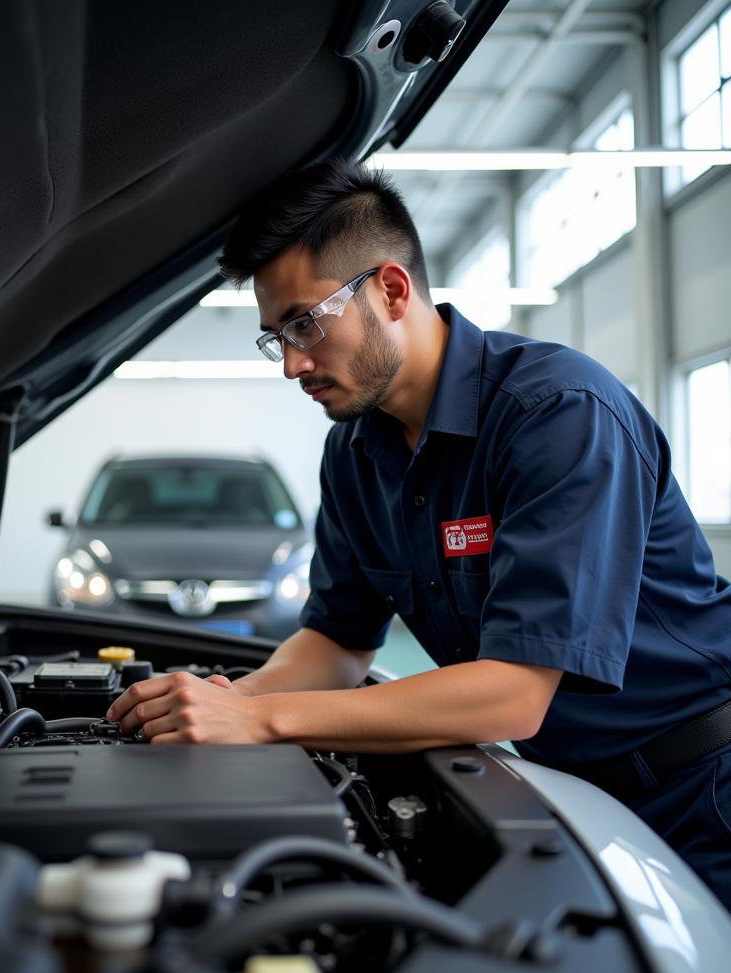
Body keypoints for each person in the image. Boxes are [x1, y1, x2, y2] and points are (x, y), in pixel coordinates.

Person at [106, 159, 731, 909]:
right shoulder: (355, 453)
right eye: (277, 338)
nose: (293, 364)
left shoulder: (558, 413)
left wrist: (258, 718)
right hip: (571, 794)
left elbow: (512, 696)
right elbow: (337, 644)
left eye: (305, 322)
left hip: (705, 788)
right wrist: (221, 704)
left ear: (392, 290)